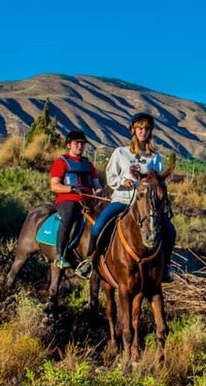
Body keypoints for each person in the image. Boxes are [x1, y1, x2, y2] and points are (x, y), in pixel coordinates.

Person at [75, 112, 176, 280]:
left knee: (169, 230)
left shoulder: (155, 157)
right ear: (133, 131)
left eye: (147, 129)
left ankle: (165, 266)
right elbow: (111, 176)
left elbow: (158, 180)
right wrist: (123, 182)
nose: (143, 132)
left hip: (147, 205)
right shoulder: (120, 153)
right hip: (122, 200)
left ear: (150, 132)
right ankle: (90, 260)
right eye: (140, 128)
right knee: (99, 225)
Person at [49, 130, 103, 269]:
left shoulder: (89, 164)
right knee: (68, 216)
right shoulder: (61, 162)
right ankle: (60, 255)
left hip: (89, 200)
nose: (80, 146)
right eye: (76, 143)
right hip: (68, 199)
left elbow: (97, 185)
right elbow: (54, 186)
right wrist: (71, 189)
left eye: (82, 144)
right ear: (69, 145)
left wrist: (98, 191)